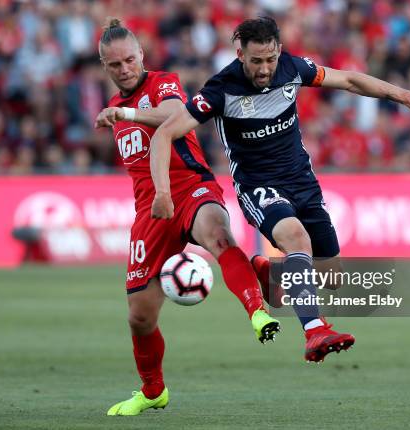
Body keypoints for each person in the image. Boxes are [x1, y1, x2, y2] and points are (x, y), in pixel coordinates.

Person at [148, 17, 410, 363]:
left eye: (270, 59)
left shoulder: (293, 68)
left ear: (279, 51)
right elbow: (164, 133)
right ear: (239, 54)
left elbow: (350, 80)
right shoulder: (221, 89)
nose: (264, 69)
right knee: (296, 239)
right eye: (255, 61)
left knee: (331, 277)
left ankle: (270, 275)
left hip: (302, 182)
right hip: (258, 185)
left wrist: (406, 96)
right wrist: (162, 192)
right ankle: (315, 331)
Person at [94, 19, 279, 417]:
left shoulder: (162, 83)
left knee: (220, 236)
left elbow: (173, 115)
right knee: (139, 318)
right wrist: (119, 114)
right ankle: (152, 390)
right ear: (105, 67)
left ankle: (257, 311)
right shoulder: (114, 110)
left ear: (141, 55)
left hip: (190, 186)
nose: (124, 69)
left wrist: (125, 113)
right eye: (115, 65)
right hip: (150, 211)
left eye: (129, 60)